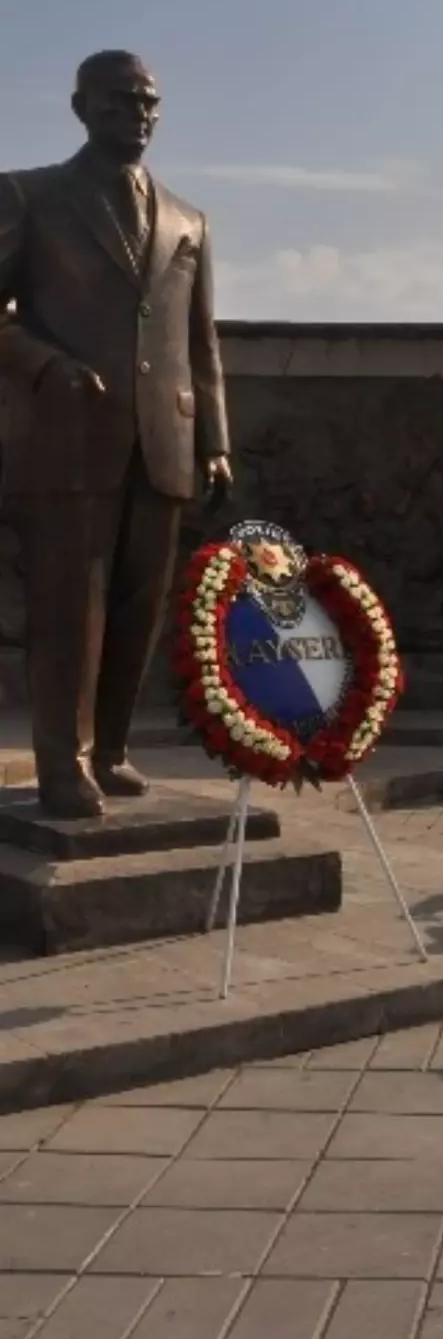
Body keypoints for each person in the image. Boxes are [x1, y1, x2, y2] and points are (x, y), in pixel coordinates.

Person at [0, 52, 232, 818]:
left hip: (162, 440)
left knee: (140, 604)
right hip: (66, 440)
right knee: (71, 609)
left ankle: (113, 750)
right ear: (79, 107)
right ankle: (61, 765)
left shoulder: (188, 219)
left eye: (148, 101)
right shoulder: (29, 196)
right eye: (118, 100)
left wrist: (215, 441)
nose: (137, 113)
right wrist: (43, 365)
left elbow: (201, 344)